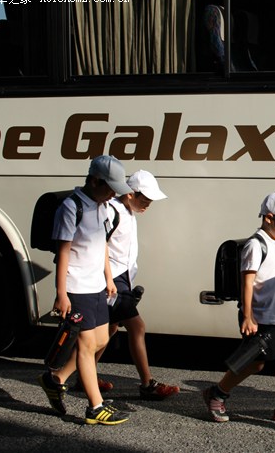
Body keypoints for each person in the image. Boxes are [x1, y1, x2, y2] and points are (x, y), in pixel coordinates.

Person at [201, 191, 275, 423]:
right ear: (269, 218)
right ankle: (217, 394)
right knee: (254, 363)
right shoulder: (256, 244)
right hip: (261, 316)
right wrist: (248, 316)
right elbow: (247, 281)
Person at [38, 155, 133, 425]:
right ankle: (95, 407)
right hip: (77, 287)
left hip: (97, 285)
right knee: (87, 346)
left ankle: (55, 379)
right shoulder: (71, 207)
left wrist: (108, 278)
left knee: (102, 340)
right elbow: (63, 252)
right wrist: (61, 294)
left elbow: (102, 244)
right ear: (94, 181)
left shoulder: (103, 207)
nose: (114, 193)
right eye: (110, 187)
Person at [92, 170, 180, 400]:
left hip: (122, 278)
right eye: (145, 199)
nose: (148, 205)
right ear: (131, 193)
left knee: (110, 329)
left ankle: (84, 376)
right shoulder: (112, 210)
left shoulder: (128, 211)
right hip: (112, 278)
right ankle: (147, 384)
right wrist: (108, 279)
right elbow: (100, 245)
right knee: (137, 327)